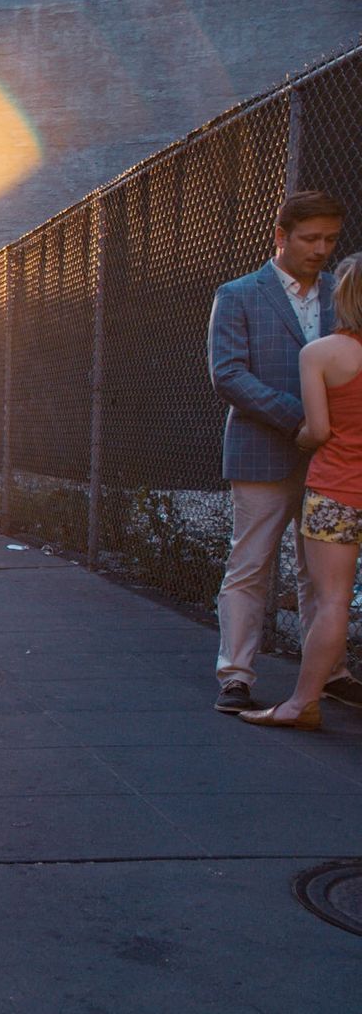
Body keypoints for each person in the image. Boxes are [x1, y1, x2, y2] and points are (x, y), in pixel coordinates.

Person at [208, 189, 362, 714]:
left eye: (330, 239)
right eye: (310, 238)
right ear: (280, 235)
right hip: (262, 450)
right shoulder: (238, 294)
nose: (321, 249)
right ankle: (236, 675)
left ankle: (329, 673)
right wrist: (302, 420)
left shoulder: (340, 293)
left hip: (333, 461)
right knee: (250, 563)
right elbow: (227, 374)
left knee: (320, 573)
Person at [243, 254, 362, 729]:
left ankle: (301, 704)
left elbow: (316, 429)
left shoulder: (322, 354)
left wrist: (303, 439)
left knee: (333, 600)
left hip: (336, 490)